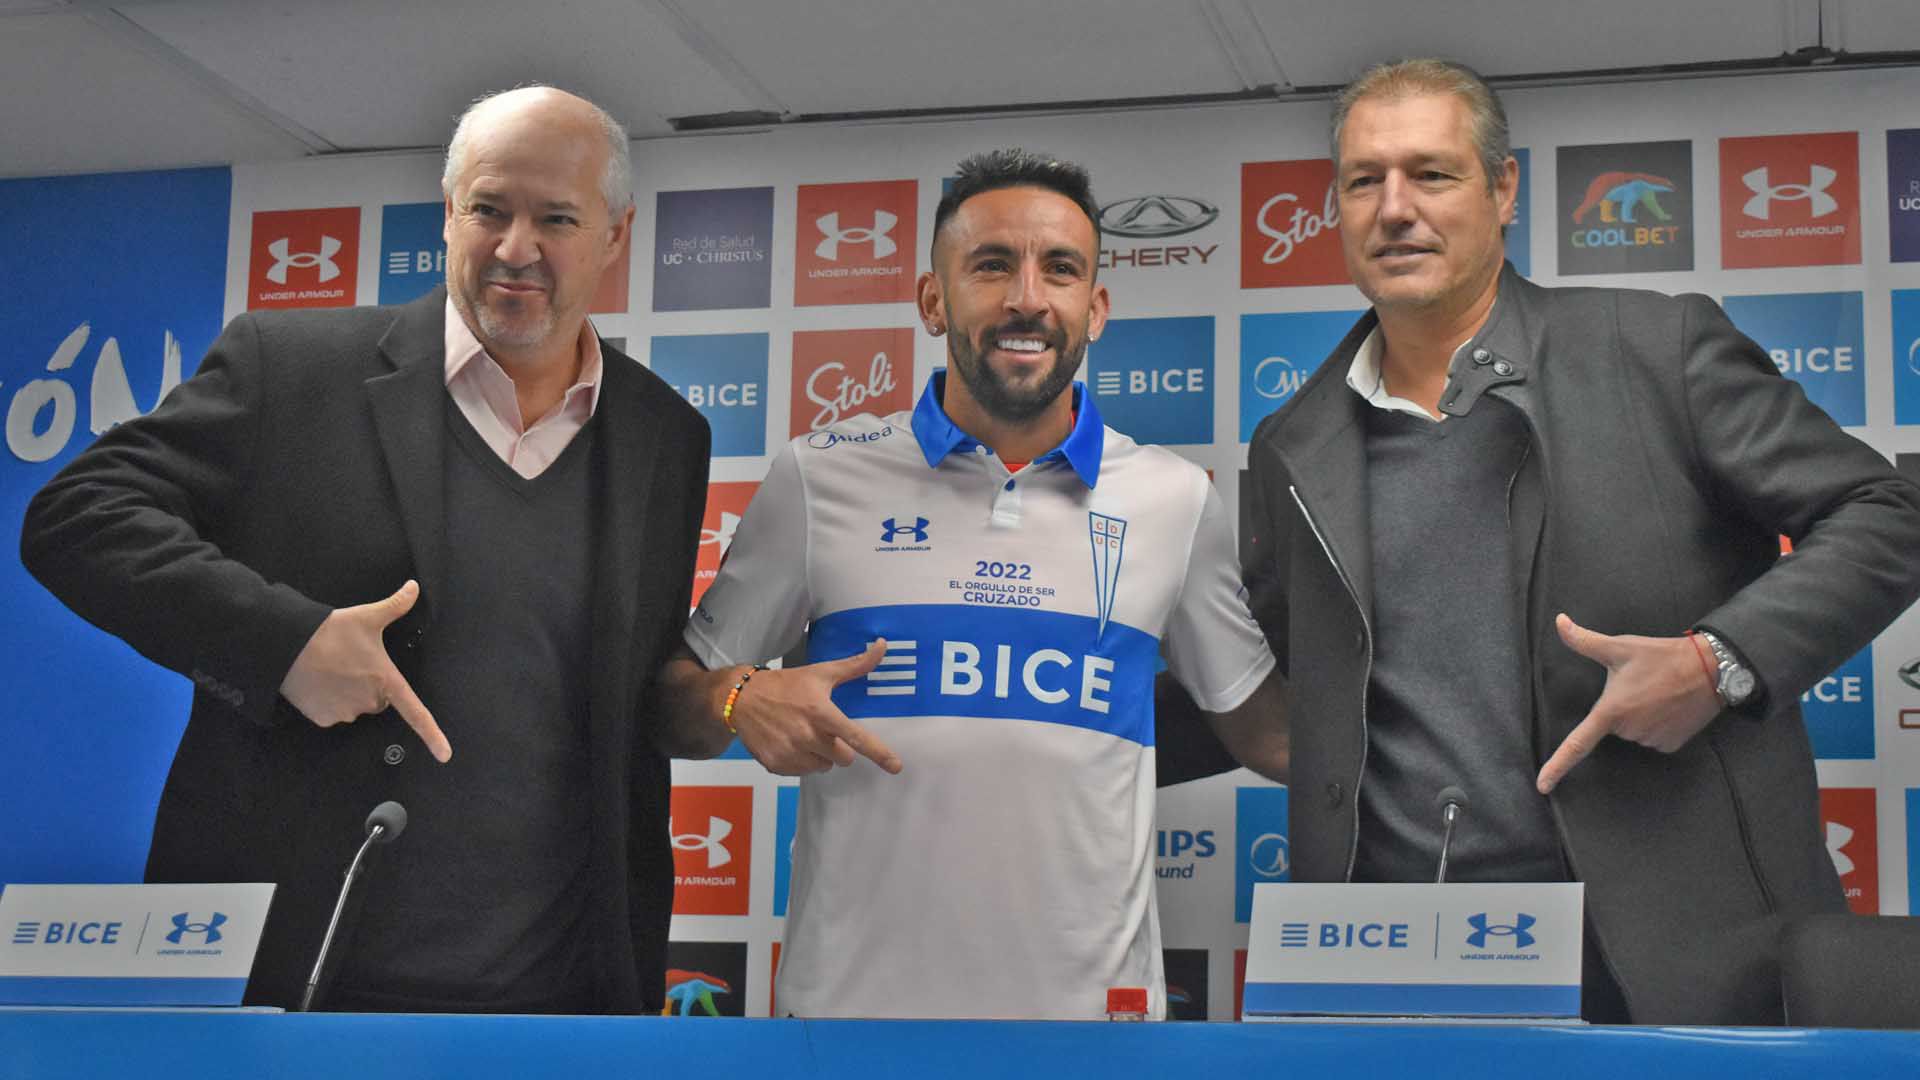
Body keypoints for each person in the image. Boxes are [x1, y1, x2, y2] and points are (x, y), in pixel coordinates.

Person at [1240, 58, 1920, 1025]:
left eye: (1431, 174)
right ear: (1337, 206)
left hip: (1671, 950)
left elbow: (1888, 511)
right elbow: (1288, 674)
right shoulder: (1290, 446)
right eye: (1364, 180)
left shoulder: (1653, 348)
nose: (1395, 208)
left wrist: (1718, 663)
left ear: (1503, 189)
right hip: (1397, 966)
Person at [20, 85, 710, 1014]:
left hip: (561, 998)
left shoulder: (663, 436)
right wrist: (286, 643)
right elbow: (75, 513)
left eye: (557, 218)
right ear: (448, 212)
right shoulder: (294, 368)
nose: (517, 249)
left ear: (615, 236)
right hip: (302, 978)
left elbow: (630, 695)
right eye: (490, 210)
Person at [656, 148, 1288, 1020]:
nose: (1027, 297)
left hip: (1093, 1027)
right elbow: (675, 704)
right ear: (932, 299)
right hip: (851, 1018)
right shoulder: (817, 477)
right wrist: (739, 697)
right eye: (992, 266)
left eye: (1059, 269)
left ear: (1094, 308)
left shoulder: (1174, 501)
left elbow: (1272, 734)